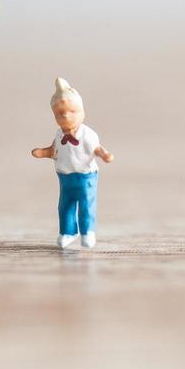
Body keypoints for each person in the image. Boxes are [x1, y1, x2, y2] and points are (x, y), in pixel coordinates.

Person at [31, 77, 114, 248]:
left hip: (85, 176)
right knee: (65, 206)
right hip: (65, 176)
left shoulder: (87, 134)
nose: (66, 115)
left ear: (82, 112)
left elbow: (96, 148)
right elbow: (54, 151)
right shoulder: (59, 135)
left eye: (72, 111)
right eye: (60, 113)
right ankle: (68, 232)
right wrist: (42, 152)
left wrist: (104, 154)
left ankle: (87, 231)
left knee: (86, 203)